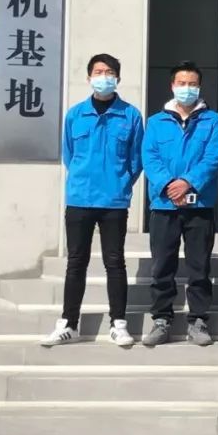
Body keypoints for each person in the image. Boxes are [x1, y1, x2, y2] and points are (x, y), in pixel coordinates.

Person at [41, 54, 143, 347]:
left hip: (114, 201)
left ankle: (118, 324)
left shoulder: (131, 115)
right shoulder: (75, 115)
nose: (104, 77)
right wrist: (83, 180)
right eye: (98, 72)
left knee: (115, 262)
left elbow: (136, 160)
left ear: (118, 78)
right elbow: (69, 154)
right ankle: (69, 324)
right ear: (89, 78)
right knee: (76, 262)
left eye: (109, 72)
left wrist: (120, 183)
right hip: (80, 198)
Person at [141, 61, 218, 347]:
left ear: (199, 87)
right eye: (181, 83)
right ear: (172, 85)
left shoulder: (212, 120)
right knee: (161, 266)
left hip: (199, 204)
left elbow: (214, 157)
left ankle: (198, 320)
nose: (186, 88)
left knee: (199, 266)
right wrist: (169, 185)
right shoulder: (156, 122)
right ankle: (161, 319)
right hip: (164, 205)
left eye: (192, 84)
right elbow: (150, 157)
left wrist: (188, 181)